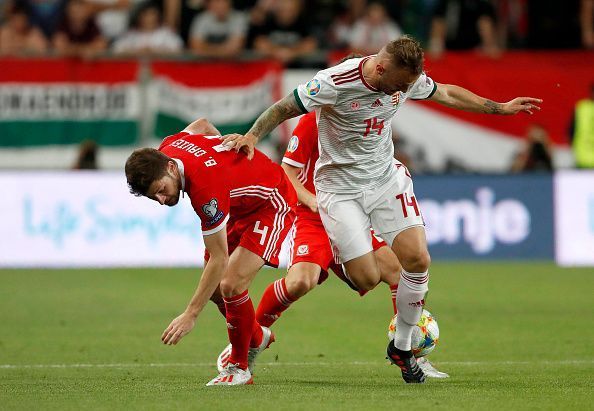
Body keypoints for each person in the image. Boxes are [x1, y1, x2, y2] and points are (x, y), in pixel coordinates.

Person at [221, 35, 542, 383]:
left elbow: (446, 92)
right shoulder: (333, 84)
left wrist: (499, 107)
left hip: (385, 181)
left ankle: (403, 347)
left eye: (409, 86)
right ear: (380, 68)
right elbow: (285, 107)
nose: (404, 91)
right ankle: (261, 330)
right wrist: (252, 136)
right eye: (401, 85)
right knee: (363, 277)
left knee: (416, 259)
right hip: (337, 194)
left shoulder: (404, 79)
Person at [217, 110, 450, 379]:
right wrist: (311, 200)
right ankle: (248, 342)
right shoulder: (311, 122)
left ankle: (409, 353)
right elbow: (287, 172)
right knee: (301, 282)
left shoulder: (365, 116)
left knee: (397, 269)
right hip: (313, 218)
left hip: (351, 212)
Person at [124, 117, 297, 386]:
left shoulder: (205, 189)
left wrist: (191, 314)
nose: (161, 200)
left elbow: (219, 259)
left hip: (272, 201)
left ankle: (239, 368)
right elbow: (203, 125)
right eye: (153, 197)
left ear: (170, 167)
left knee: (230, 283)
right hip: (239, 206)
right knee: (216, 291)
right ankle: (256, 337)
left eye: (160, 190)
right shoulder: (170, 146)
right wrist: (223, 149)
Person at [571, 83, 594, 168]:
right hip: (582, 158)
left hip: (582, 157)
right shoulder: (581, 107)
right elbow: (571, 130)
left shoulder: (582, 107)